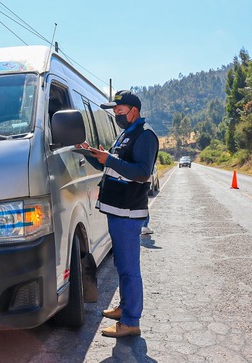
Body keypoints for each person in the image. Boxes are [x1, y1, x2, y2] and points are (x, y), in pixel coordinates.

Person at [76, 90, 159, 338]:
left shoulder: (145, 136)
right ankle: (124, 309)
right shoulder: (125, 134)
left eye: (119, 111)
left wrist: (109, 158)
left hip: (128, 211)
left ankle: (131, 321)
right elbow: (110, 166)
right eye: (114, 112)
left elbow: (142, 172)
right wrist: (94, 155)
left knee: (130, 269)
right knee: (121, 264)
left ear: (133, 110)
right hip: (116, 210)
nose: (116, 115)